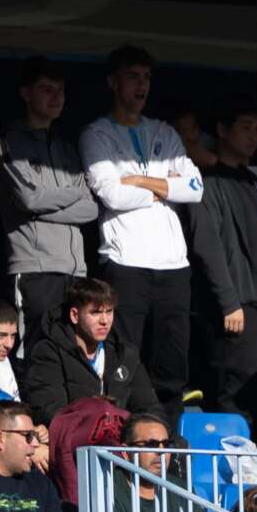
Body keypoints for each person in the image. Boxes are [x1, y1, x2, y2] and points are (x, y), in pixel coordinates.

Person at [79, 45, 203, 410]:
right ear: (113, 82)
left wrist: (143, 181)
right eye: (133, 76)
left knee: (172, 365)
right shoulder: (96, 134)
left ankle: (169, 449)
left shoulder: (163, 132)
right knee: (124, 359)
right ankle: (124, 440)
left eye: (146, 77)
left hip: (174, 266)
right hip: (126, 262)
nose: (141, 85)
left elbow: (195, 189)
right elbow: (113, 195)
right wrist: (166, 187)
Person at [0, 57, 98, 339]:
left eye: (60, 90)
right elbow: (29, 200)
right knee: (35, 354)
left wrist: (43, 206)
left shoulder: (67, 148)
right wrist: (73, 193)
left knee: (71, 354)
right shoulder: (10, 140)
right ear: (25, 93)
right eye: (46, 89)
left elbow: (90, 209)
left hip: (75, 269)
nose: (56, 97)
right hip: (34, 269)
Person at [192, 98, 257, 416]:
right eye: (245, 127)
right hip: (235, 301)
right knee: (232, 385)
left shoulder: (254, 182)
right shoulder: (208, 180)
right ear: (222, 130)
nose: (253, 136)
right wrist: (228, 301)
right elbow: (208, 246)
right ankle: (232, 460)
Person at [21, 276, 162, 424]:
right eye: (95, 313)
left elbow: (150, 409)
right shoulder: (48, 352)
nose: (105, 321)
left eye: (109, 311)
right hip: (73, 442)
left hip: (121, 439)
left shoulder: (126, 354)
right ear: (75, 315)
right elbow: (51, 412)